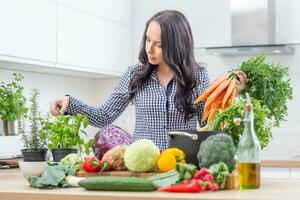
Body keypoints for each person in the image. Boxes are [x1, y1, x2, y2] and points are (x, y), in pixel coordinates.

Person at [50, 10, 246, 150]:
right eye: (147, 40)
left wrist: (231, 95)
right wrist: (70, 104)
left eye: (159, 44)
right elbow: (104, 116)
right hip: (143, 165)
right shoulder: (134, 74)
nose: (149, 49)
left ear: (177, 45)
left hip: (182, 164)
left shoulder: (197, 76)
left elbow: (209, 125)